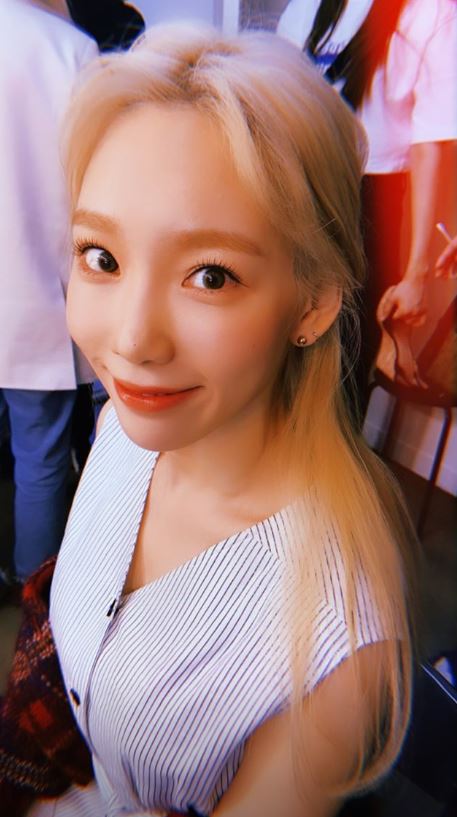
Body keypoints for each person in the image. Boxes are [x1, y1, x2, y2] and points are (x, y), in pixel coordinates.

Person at [23, 23, 416, 817]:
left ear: (312, 302)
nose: (132, 340)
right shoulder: (123, 432)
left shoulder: (334, 653)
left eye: (209, 275)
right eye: (102, 257)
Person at [277, 0, 457, 411]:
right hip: (292, 179)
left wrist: (415, 275)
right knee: (272, 351)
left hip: (366, 199)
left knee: (340, 373)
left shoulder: (432, 11)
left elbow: (430, 146)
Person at [0, 0, 98, 590]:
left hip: (23, 294)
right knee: (41, 455)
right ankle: (30, 594)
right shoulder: (66, 48)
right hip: (31, 291)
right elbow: (91, 180)